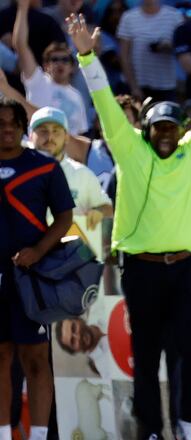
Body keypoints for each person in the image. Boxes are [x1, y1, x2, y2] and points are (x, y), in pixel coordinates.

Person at [67, 11, 191, 439]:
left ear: (182, 129)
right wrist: (87, 57)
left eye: (172, 128)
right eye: (157, 128)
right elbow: (104, 102)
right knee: (145, 352)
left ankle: (189, 424)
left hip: (188, 266)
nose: (165, 134)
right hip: (142, 266)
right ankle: (151, 429)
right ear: (145, 130)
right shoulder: (129, 150)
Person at [0, 98, 74, 440]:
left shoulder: (45, 167)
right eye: (0, 124)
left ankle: (40, 436)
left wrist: (39, 250)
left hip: (31, 279)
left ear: (22, 127)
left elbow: (64, 218)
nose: (6, 129)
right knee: (1, 357)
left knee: (35, 358)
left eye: (13, 123)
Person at [28, 106, 113, 230]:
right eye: (43, 131)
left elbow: (108, 208)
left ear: (67, 137)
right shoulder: (16, 171)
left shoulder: (82, 174)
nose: (50, 137)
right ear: (30, 135)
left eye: (56, 131)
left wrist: (99, 211)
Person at [12, 0, 89, 135]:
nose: (60, 63)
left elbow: (80, 135)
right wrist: (23, 7)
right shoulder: (37, 81)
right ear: (46, 65)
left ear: (72, 67)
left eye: (65, 60)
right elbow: (20, 45)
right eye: (54, 59)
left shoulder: (77, 96)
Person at [116, 0, 184, 101]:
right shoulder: (128, 17)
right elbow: (124, 56)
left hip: (165, 86)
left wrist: (166, 46)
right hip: (136, 86)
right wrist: (134, 87)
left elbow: (183, 49)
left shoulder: (175, 17)